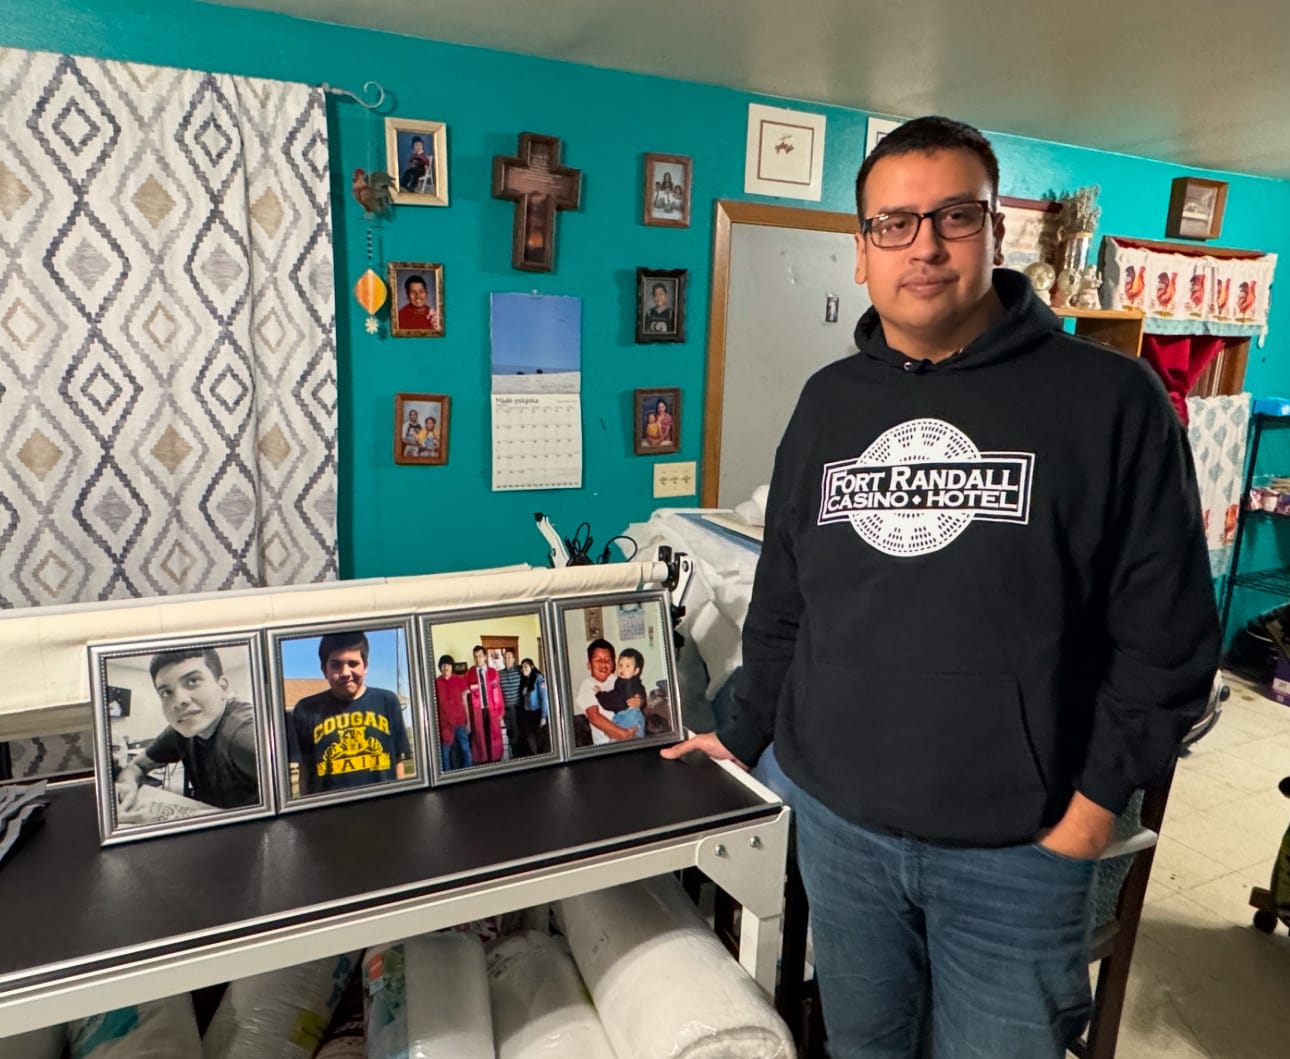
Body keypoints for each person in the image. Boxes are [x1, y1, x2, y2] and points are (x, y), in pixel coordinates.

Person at [662, 115, 1218, 1058]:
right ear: (860, 253)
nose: (924, 244)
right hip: (842, 831)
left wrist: (1089, 817)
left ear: (999, 234)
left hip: (1021, 852)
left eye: (955, 216)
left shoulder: (1109, 402)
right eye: (895, 222)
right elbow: (789, 601)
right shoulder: (830, 404)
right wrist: (741, 725)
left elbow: (1165, 642)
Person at [115, 647, 259, 812]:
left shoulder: (244, 734)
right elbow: (136, 766)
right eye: (166, 692)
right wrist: (127, 784)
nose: (179, 701)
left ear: (223, 687)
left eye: (193, 681)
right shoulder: (180, 732)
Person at [289, 631, 411, 795]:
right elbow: (305, 771)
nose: (346, 672)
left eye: (353, 663)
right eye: (336, 664)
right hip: (329, 813)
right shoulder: (305, 710)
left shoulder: (387, 701)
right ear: (324, 669)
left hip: (383, 807)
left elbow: (397, 762)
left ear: (365, 665)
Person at [573, 638, 641, 747]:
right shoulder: (588, 685)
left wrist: (639, 700)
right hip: (607, 745)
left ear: (613, 664)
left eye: (607, 660)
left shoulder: (617, 680)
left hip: (633, 733)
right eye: (597, 660)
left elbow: (635, 691)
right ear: (589, 665)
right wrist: (623, 734)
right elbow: (594, 717)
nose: (603, 663)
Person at [594, 647, 647, 739]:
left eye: (627, 666)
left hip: (630, 717)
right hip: (626, 717)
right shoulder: (620, 681)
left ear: (636, 671)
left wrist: (600, 695)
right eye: (620, 665)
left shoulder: (631, 683)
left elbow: (639, 691)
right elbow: (614, 695)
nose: (622, 669)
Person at [465, 645, 505, 764]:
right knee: (479, 736)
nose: (478, 659)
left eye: (480, 656)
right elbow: (466, 697)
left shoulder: (493, 672)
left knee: (493, 735)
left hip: (492, 710)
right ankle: (483, 760)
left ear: (485, 657)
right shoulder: (469, 674)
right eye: (476, 657)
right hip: (477, 712)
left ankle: (495, 759)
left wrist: (500, 712)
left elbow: (498, 693)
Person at [434, 654, 472, 771]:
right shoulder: (435, 683)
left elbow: (465, 703)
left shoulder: (459, 681)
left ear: (452, 667)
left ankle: (469, 773)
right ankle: (447, 777)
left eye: (448, 665)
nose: (446, 667)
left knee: (465, 749)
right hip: (444, 724)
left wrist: (468, 722)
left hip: (460, 722)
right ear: (440, 667)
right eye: (443, 665)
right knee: (444, 754)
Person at [517, 657, 551, 756]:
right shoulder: (523, 680)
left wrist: (543, 716)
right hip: (527, 714)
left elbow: (544, 698)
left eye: (526, 667)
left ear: (532, 667)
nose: (523, 669)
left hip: (537, 713)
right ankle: (535, 755)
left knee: (540, 738)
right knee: (529, 737)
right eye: (522, 667)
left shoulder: (539, 678)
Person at [497, 648, 525, 759]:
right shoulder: (499, 674)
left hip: (518, 708)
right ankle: (513, 757)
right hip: (507, 709)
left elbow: (532, 674)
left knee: (520, 733)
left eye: (509, 657)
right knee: (511, 733)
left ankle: (521, 757)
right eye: (505, 657)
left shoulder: (519, 671)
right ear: (503, 660)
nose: (507, 659)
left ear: (514, 659)